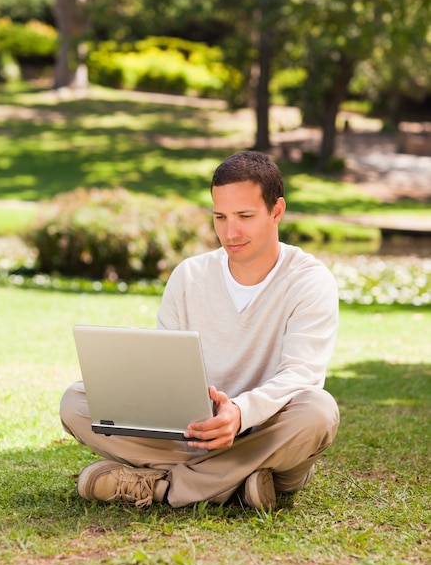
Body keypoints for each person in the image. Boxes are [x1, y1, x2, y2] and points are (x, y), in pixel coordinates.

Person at [60, 150, 340, 510]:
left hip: (267, 430)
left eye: (244, 216)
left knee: (318, 411)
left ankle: (162, 488)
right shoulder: (189, 276)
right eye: (219, 217)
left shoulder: (309, 281)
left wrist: (238, 412)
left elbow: (302, 375)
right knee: (77, 402)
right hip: (193, 432)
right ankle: (240, 486)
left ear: (277, 212)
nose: (230, 232)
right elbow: (165, 370)